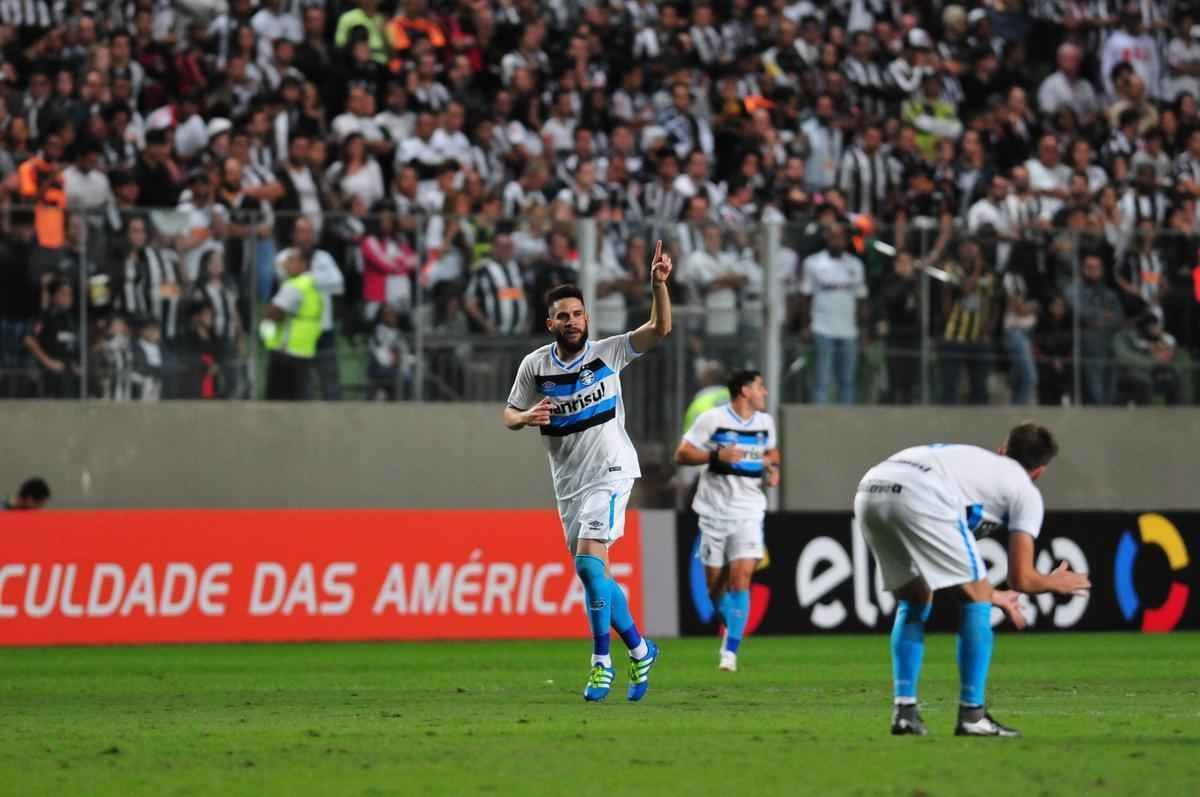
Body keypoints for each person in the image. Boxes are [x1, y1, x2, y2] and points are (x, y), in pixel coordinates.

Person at [502, 241, 673, 702]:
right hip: (569, 483)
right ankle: (640, 648)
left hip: (611, 470)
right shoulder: (535, 366)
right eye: (563, 316)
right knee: (595, 576)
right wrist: (525, 417)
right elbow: (510, 414)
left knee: (586, 563)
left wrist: (658, 285)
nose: (572, 321)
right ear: (550, 323)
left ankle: (602, 663)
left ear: (587, 319)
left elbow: (659, 329)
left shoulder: (608, 353)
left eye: (577, 314)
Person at [854, 423, 1091, 737]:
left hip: (872, 487)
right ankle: (972, 715)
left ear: (1003, 448)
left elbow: (954, 576)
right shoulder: (1024, 489)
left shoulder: (975, 463)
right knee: (974, 600)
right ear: (1040, 471)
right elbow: (1022, 578)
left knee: (914, 599)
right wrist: (1054, 582)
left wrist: (994, 595)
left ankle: (905, 712)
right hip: (920, 492)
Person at [673, 370, 779, 672]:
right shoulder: (712, 419)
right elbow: (681, 454)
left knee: (742, 577)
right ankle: (731, 624)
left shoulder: (764, 422)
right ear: (744, 391)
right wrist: (716, 457)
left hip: (749, 511)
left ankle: (730, 651)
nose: (765, 393)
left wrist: (774, 469)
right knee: (714, 587)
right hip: (714, 512)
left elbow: (771, 450)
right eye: (760, 387)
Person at [261, 247, 323, 400]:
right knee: (298, 402)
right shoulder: (314, 284)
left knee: (277, 403)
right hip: (305, 351)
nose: (286, 265)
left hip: (285, 353)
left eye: (290, 260)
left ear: (303, 263)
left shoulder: (294, 285)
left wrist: (266, 333)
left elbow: (272, 313)